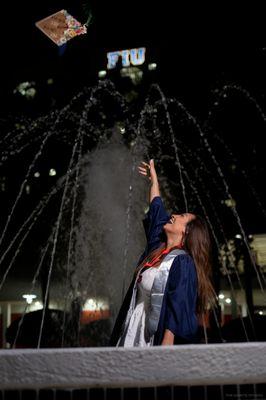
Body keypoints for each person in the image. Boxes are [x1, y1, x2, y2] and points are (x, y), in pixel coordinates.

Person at [109, 159, 217, 346]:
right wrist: (154, 181)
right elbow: (157, 210)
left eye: (181, 217)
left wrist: (165, 351)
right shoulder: (157, 248)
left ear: (187, 232)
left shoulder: (183, 264)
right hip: (131, 327)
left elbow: (179, 306)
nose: (173, 215)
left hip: (153, 338)